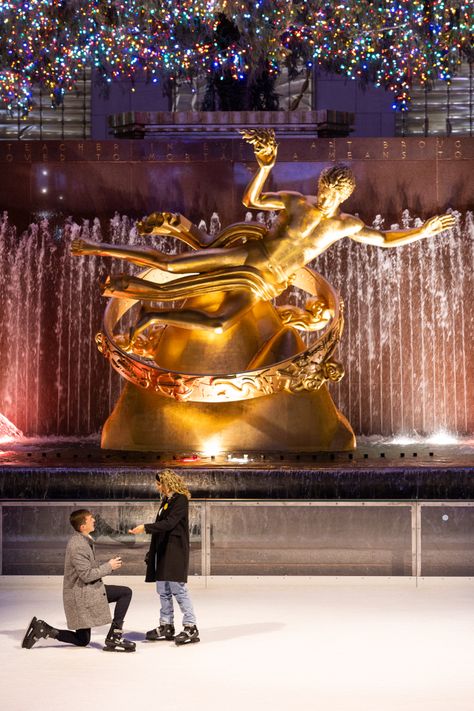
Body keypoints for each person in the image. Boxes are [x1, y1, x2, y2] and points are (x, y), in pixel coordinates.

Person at [70, 128, 455, 343]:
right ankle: (95, 248)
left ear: (345, 196)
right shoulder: (296, 202)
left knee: (220, 325)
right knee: (171, 265)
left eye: (334, 195)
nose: (325, 198)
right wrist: (265, 166)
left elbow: (384, 240)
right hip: (249, 256)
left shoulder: (346, 225)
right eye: (323, 190)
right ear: (320, 185)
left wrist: (422, 231)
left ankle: (154, 315)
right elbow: (251, 199)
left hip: (267, 283)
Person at [22, 509, 136, 653]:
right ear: (83, 526)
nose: (94, 520)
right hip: (81, 594)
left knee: (82, 640)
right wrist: (109, 566)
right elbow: (86, 575)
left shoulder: (83, 539)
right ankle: (115, 636)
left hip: (82, 591)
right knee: (125, 593)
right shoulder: (78, 545)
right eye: (90, 519)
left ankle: (45, 629)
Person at [128, 469, 199, 646]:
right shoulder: (167, 500)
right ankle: (166, 624)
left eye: (159, 483)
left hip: (174, 550)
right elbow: (162, 526)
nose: (157, 486)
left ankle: (190, 626)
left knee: (178, 588)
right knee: (163, 589)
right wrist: (152, 552)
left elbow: (169, 524)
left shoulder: (180, 499)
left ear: (167, 483)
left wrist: (145, 527)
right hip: (162, 549)